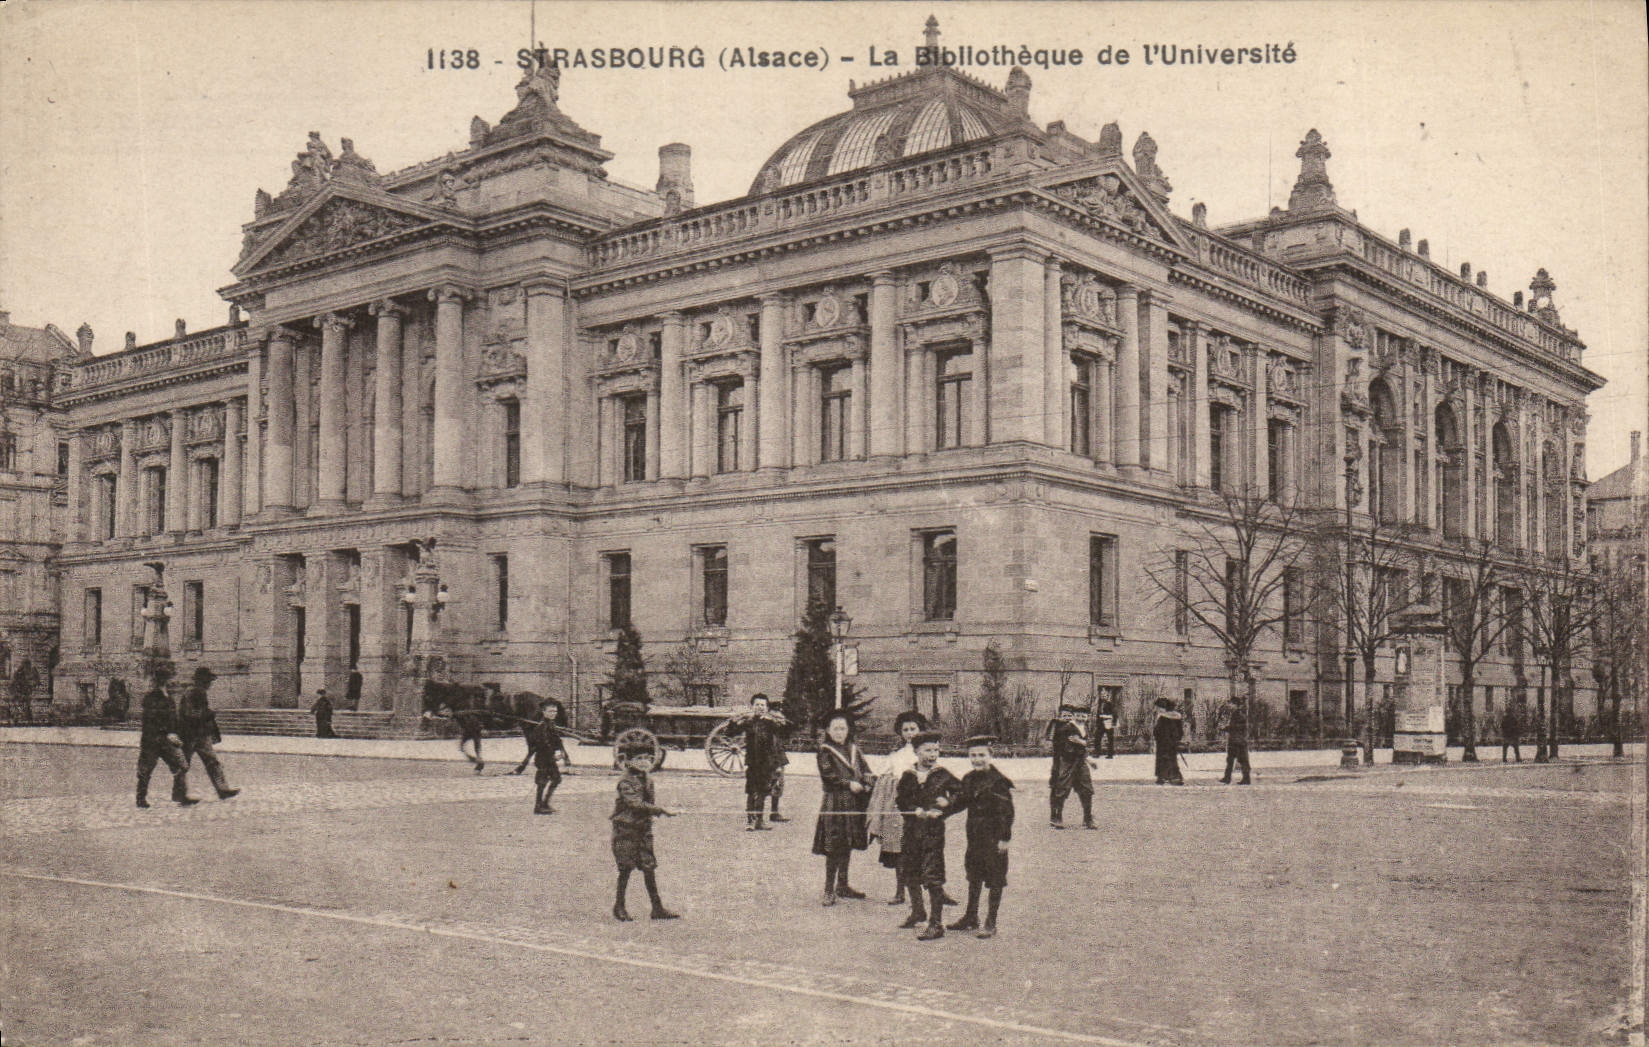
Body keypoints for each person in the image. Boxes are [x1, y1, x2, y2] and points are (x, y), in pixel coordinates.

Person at [895, 729, 962, 940]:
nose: (932, 755)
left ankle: (936, 923)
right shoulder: (908, 776)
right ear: (916, 752)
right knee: (910, 872)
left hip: (932, 833)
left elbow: (961, 794)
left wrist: (946, 806)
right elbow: (901, 800)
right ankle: (917, 912)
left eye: (936, 750)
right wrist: (913, 809)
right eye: (927, 750)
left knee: (933, 876)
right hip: (911, 831)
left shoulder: (943, 774)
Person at [948, 736, 1014, 939]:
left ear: (990, 756)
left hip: (993, 837)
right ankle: (971, 916)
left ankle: (991, 922)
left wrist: (1004, 838)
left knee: (995, 878)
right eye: (973, 755)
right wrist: (940, 810)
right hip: (975, 836)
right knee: (974, 875)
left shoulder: (999, 782)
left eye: (981, 755)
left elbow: (1006, 812)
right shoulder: (969, 778)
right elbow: (959, 802)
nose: (977, 759)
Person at [610, 742, 679, 922]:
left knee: (649, 867)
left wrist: (655, 812)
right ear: (629, 761)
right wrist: (660, 810)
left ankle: (657, 908)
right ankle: (619, 906)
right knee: (626, 868)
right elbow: (635, 804)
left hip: (643, 829)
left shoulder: (647, 779)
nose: (643, 762)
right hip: (626, 830)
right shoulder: (625, 781)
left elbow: (647, 803)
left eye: (647, 758)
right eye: (638, 758)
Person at [812, 711, 874, 906]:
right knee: (833, 845)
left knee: (847, 843)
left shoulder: (854, 749)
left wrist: (870, 780)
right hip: (835, 802)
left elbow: (865, 770)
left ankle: (843, 885)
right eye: (835, 728)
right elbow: (828, 775)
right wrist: (848, 784)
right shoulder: (825, 750)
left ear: (848, 730)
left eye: (843, 728)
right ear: (828, 731)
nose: (840, 732)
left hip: (854, 803)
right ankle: (829, 889)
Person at [867, 710, 927, 905]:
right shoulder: (896, 755)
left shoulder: (927, 752)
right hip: (899, 806)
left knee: (925, 848)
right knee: (900, 849)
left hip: (920, 804)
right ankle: (900, 891)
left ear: (921, 730)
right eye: (906, 730)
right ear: (900, 733)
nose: (910, 733)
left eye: (914, 729)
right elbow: (883, 775)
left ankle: (935, 890)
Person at [136, 662, 198, 808]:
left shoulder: (168, 697)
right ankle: (140, 799)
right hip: (152, 740)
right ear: (161, 680)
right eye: (168, 678)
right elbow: (151, 720)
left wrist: (176, 733)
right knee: (145, 770)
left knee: (182, 765)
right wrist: (167, 733)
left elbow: (173, 719)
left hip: (167, 740)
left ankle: (180, 795)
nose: (171, 681)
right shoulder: (151, 697)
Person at [177, 667, 239, 800]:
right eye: (208, 681)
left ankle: (223, 790)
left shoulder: (199, 692)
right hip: (189, 734)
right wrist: (209, 714)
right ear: (202, 681)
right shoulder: (192, 693)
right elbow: (189, 713)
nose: (210, 684)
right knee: (183, 764)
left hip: (201, 734)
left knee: (212, 761)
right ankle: (180, 794)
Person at [728, 693, 789, 831]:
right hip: (752, 762)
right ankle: (750, 821)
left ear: (767, 708)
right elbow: (731, 732)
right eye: (757, 705)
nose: (760, 707)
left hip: (766, 763)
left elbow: (782, 736)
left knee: (762, 792)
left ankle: (759, 821)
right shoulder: (747, 722)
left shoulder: (771, 724)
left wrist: (777, 765)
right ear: (752, 707)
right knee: (751, 791)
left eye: (763, 705)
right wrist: (733, 721)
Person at [1048, 704, 1098, 829]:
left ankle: (1088, 818)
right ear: (1074, 716)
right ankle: (1057, 817)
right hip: (1068, 762)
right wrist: (1086, 753)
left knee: (1087, 790)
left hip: (1080, 763)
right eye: (1078, 715)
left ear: (1087, 717)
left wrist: (1083, 744)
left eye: (1084, 716)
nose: (1081, 718)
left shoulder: (1085, 728)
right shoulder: (1067, 728)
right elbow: (1067, 747)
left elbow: (1088, 744)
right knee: (1062, 788)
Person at [529, 699, 564, 814]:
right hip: (543, 759)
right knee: (542, 781)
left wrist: (560, 751)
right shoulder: (542, 726)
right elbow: (543, 743)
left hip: (549, 759)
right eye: (550, 711)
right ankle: (538, 806)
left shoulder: (551, 725)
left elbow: (557, 740)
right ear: (544, 712)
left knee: (556, 779)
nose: (553, 714)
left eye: (555, 711)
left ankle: (545, 803)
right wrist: (553, 756)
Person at [1218, 695, 1252, 785]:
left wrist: (1225, 728)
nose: (1230, 705)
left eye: (1231, 704)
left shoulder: (1240, 715)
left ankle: (1246, 779)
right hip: (1234, 740)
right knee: (1230, 760)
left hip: (1238, 741)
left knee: (1242, 760)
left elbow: (1238, 727)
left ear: (1236, 705)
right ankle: (1227, 778)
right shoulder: (1235, 714)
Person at [1153, 697, 1186, 785]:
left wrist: (1157, 736)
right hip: (1173, 742)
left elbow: (1158, 731)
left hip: (1163, 742)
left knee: (1163, 759)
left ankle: (1165, 777)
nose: (1156, 709)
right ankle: (1174, 777)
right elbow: (1180, 731)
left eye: (1158, 707)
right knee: (1172, 759)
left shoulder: (1163, 718)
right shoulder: (1177, 717)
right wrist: (1177, 739)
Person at [1094, 693, 1117, 759]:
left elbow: (1114, 714)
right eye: (1102, 696)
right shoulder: (1099, 704)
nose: (1103, 697)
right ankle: (1097, 753)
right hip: (1100, 724)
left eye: (1105, 696)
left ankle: (1110, 754)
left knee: (1110, 739)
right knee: (1097, 738)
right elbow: (1098, 714)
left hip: (1108, 723)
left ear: (1107, 696)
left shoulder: (1110, 704)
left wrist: (1113, 723)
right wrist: (1097, 722)